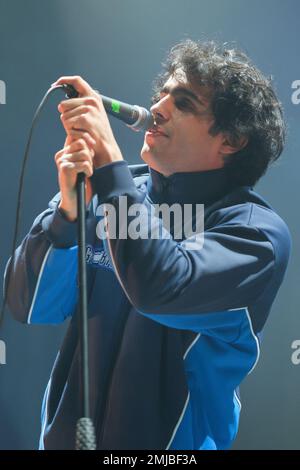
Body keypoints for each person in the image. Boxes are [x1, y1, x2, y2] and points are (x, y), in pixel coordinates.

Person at [5, 40, 291, 450]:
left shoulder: (256, 233)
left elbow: (160, 288)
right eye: (161, 95)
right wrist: (67, 217)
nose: (157, 107)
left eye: (185, 102)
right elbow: (25, 303)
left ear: (232, 140)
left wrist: (108, 165)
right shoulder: (112, 189)